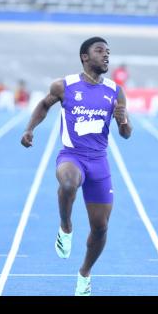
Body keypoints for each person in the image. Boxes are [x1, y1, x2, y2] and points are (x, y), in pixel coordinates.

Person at [20, 37, 132, 296]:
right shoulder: (64, 85)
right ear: (84, 56)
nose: (106, 56)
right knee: (69, 182)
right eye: (100, 51)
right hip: (72, 155)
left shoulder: (115, 91)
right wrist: (29, 130)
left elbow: (126, 133)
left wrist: (123, 120)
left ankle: (84, 273)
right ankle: (66, 226)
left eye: (108, 52)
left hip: (99, 161)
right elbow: (44, 105)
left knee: (101, 227)